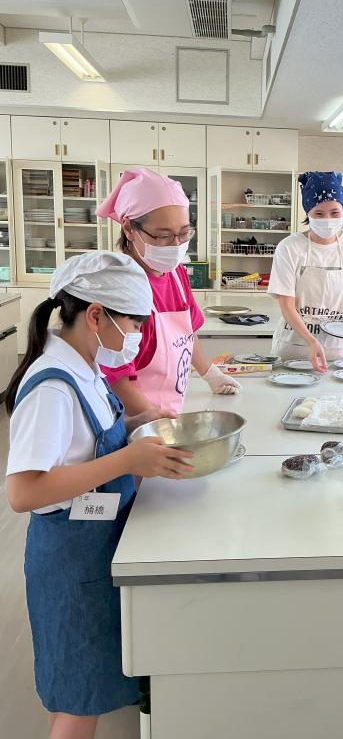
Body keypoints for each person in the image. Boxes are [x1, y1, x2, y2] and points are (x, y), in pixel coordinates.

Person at [5, 251, 193, 739]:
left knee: (78, 687)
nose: (137, 335)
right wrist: (128, 460)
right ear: (95, 315)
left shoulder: (84, 367)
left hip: (95, 543)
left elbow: (85, 442)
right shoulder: (52, 387)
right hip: (71, 559)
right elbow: (23, 492)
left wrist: (138, 424)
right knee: (77, 700)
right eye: (134, 323)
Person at [96, 167, 240, 416]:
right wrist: (157, 422)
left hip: (169, 412)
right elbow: (117, 380)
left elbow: (186, 336)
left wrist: (210, 374)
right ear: (129, 228)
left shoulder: (176, 274)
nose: (176, 245)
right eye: (163, 236)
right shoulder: (120, 289)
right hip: (131, 422)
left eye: (184, 233)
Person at [268, 171, 343, 370]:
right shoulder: (289, 247)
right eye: (319, 214)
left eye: (334, 212)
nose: (328, 219)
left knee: (336, 390)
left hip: (338, 347)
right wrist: (311, 341)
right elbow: (286, 305)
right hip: (294, 346)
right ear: (308, 213)